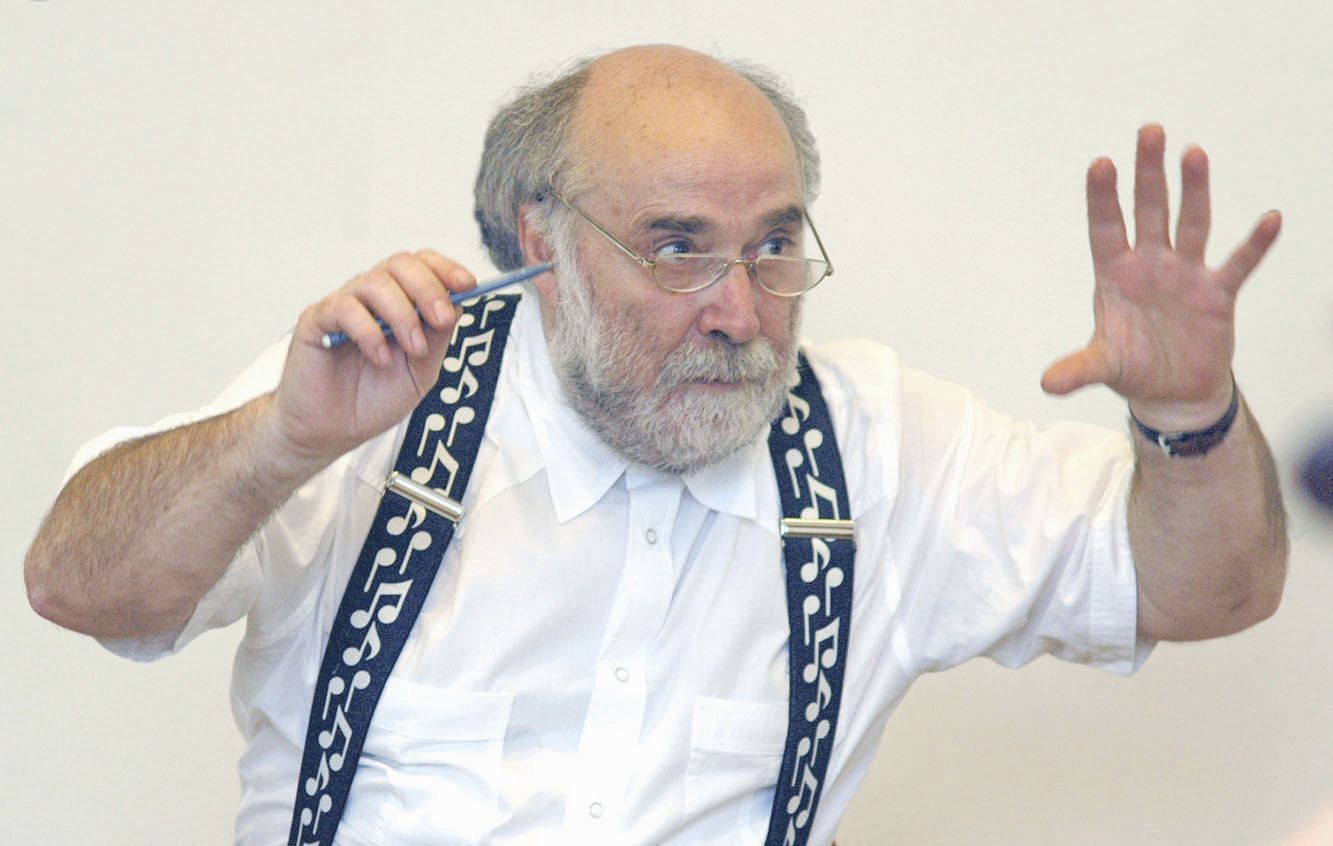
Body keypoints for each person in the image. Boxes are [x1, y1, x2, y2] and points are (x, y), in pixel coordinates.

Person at [24, 44, 1287, 845]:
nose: (738, 310)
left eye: (773, 245)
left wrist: (1188, 416)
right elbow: (77, 585)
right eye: (677, 247)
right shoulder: (372, 400)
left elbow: (1207, 588)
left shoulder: (878, 447)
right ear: (542, 242)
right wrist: (276, 445)